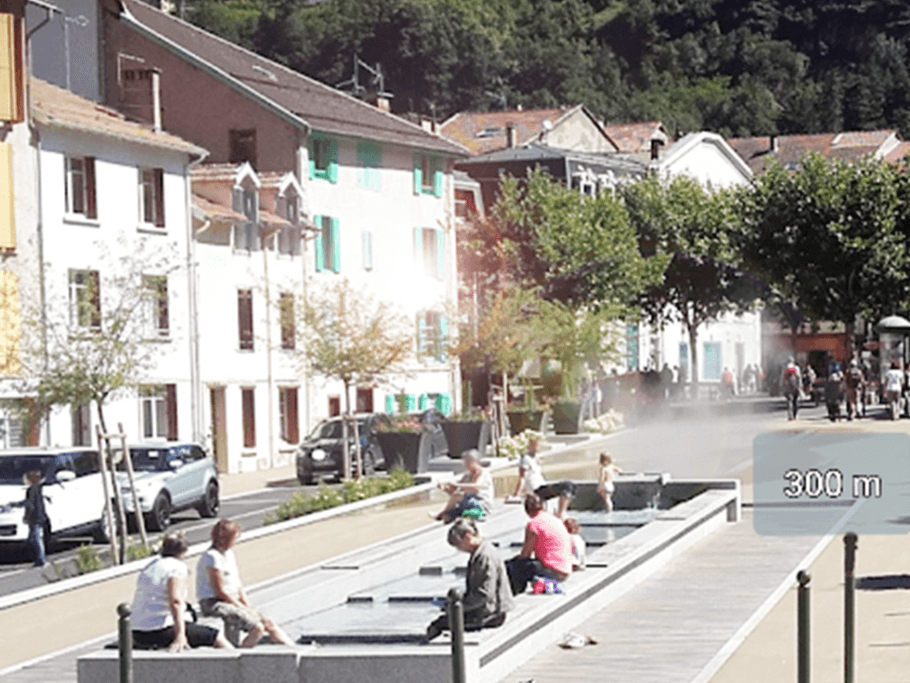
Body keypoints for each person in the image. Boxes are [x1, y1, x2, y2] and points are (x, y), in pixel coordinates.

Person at [197, 519, 294, 647]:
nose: (236, 540)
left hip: (233, 599)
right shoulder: (212, 557)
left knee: (268, 622)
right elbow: (220, 591)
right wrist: (242, 608)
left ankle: (292, 648)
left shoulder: (229, 554)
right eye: (235, 537)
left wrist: (248, 606)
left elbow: (237, 585)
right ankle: (238, 655)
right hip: (215, 602)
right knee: (257, 627)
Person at [131, 534, 231, 651]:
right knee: (216, 637)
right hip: (160, 629)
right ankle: (238, 660)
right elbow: (175, 601)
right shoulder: (176, 567)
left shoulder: (150, 566)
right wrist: (180, 635)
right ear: (183, 552)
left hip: (137, 631)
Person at [425, 518, 514, 641]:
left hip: (491, 614)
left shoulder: (484, 557)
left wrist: (458, 607)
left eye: (458, 545)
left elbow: (484, 594)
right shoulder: (481, 552)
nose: (459, 549)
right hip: (489, 610)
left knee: (440, 624)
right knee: (446, 618)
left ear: (467, 537)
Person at [505, 494, 573, 595]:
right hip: (565, 569)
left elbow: (525, 554)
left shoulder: (533, 524)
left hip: (551, 570)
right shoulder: (555, 520)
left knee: (514, 566)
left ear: (526, 510)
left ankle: (514, 592)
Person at [510, 435, 576, 518]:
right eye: (535, 444)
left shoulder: (536, 458)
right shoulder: (525, 459)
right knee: (566, 485)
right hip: (537, 490)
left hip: (542, 486)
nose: (537, 447)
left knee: (572, 486)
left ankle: (562, 511)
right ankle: (561, 513)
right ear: (529, 445)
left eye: (538, 444)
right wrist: (516, 495)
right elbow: (522, 478)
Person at [432, 449, 493, 523]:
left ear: (474, 462)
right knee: (448, 515)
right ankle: (447, 515)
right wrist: (445, 487)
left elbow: (476, 486)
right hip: (467, 502)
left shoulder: (484, 473)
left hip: (480, 503)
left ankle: (441, 514)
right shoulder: (467, 475)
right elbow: (456, 489)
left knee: (459, 497)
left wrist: (456, 485)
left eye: (467, 462)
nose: (465, 465)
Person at [23, 470, 48, 567]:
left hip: (34, 518)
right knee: (34, 538)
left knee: (36, 538)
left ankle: (41, 559)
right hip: (40, 516)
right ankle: (39, 558)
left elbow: (30, 505)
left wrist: (26, 517)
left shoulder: (31, 490)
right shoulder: (38, 489)